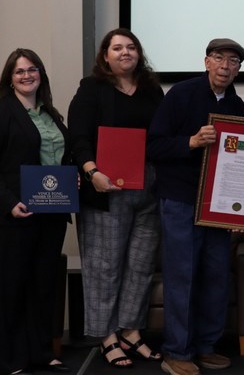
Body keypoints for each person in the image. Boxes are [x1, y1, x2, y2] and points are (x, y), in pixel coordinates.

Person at [147, 38, 244, 375]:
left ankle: (205, 346)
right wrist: (190, 141)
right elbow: (153, 146)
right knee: (183, 276)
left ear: (238, 69)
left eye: (233, 61)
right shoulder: (180, 94)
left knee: (216, 276)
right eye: (219, 58)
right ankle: (177, 351)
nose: (225, 66)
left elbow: (239, 160)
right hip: (180, 199)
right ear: (206, 62)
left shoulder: (236, 104)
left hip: (218, 203)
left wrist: (240, 208)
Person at [67, 28, 164, 369]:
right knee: (104, 267)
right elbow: (78, 137)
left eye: (131, 47)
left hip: (148, 188)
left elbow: (162, 136)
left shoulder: (152, 90)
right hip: (105, 188)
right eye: (118, 48)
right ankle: (107, 335)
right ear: (105, 56)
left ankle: (131, 332)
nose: (126, 52)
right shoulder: (91, 89)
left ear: (139, 53)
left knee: (140, 265)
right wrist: (92, 172)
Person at [0, 48, 71, 374]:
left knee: (43, 284)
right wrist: (7, 203)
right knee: (13, 286)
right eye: (19, 71)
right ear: (10, 78)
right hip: (17, 212)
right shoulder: (4, 111)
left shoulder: (50, 113)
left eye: (32, 69)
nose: (26, 75)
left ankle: (41, 352)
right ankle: (10, 358)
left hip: (53, 211)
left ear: (41, 74)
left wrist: (73, 178)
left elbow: (59, 158)